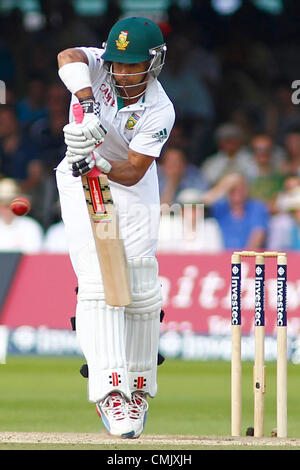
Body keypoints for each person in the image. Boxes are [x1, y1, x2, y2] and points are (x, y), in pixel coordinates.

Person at [56, 17, 175, 439]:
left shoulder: (160, 109)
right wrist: (87, 104)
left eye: (132, 65)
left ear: (154, 63)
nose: (122, 72)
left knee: (141, 282)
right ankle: (110, 391)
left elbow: (134, 171)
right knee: (97, 283)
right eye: (117, 64)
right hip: (78, 178)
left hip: (127, 181)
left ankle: (139, 387)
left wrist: (102, 162)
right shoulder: (97, 67)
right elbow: (66, 56)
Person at [0, 178, 43, 254]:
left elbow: (35, 258)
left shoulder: (31, 227)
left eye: (11, 203)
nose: (7, 208)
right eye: (3, 204)